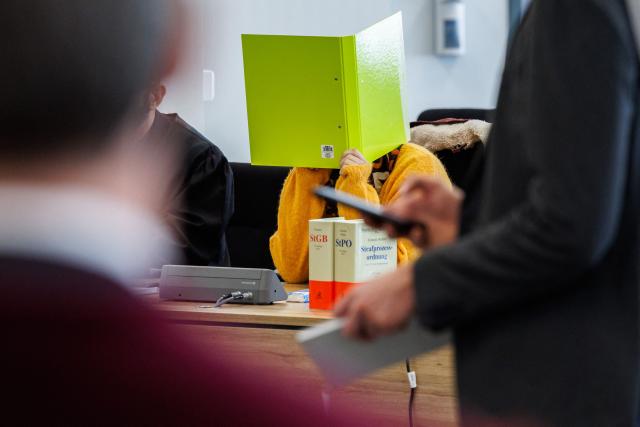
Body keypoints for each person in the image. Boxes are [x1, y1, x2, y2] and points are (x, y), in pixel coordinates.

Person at [0, 1, 384, 425]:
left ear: (158, 92)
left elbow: (189, 257)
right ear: (177, 51)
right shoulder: (242, 409)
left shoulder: (200, 158)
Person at [337, 0, 640, 426]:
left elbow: (570, 226)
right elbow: (584, 197)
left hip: (558, 390)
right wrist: (465, 219)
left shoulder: (576, 10)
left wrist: (420, 281)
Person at [270, 145, 451, 283]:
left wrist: (355, 184)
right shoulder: (313, 165)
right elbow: (292, 270)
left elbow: (390, 270)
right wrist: (307, 174)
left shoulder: (418, 164)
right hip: (324, 303)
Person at [137, 84, 234, 267]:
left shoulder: (202, 158)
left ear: (156, 95)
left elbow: (182, 252)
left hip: (185, 290)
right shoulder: (92, 148)